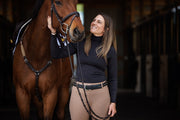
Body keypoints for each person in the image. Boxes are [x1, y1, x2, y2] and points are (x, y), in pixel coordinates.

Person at [47, 13, 117, 120]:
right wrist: (53, 33)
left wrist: (113, 102)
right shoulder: (80, 43)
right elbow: (56, 54)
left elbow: (113, 78)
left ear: (106, 29)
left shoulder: (110, 50)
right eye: (94, 20)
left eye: (99, 22)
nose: (94, 23)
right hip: (79, 93)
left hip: (101, 94)